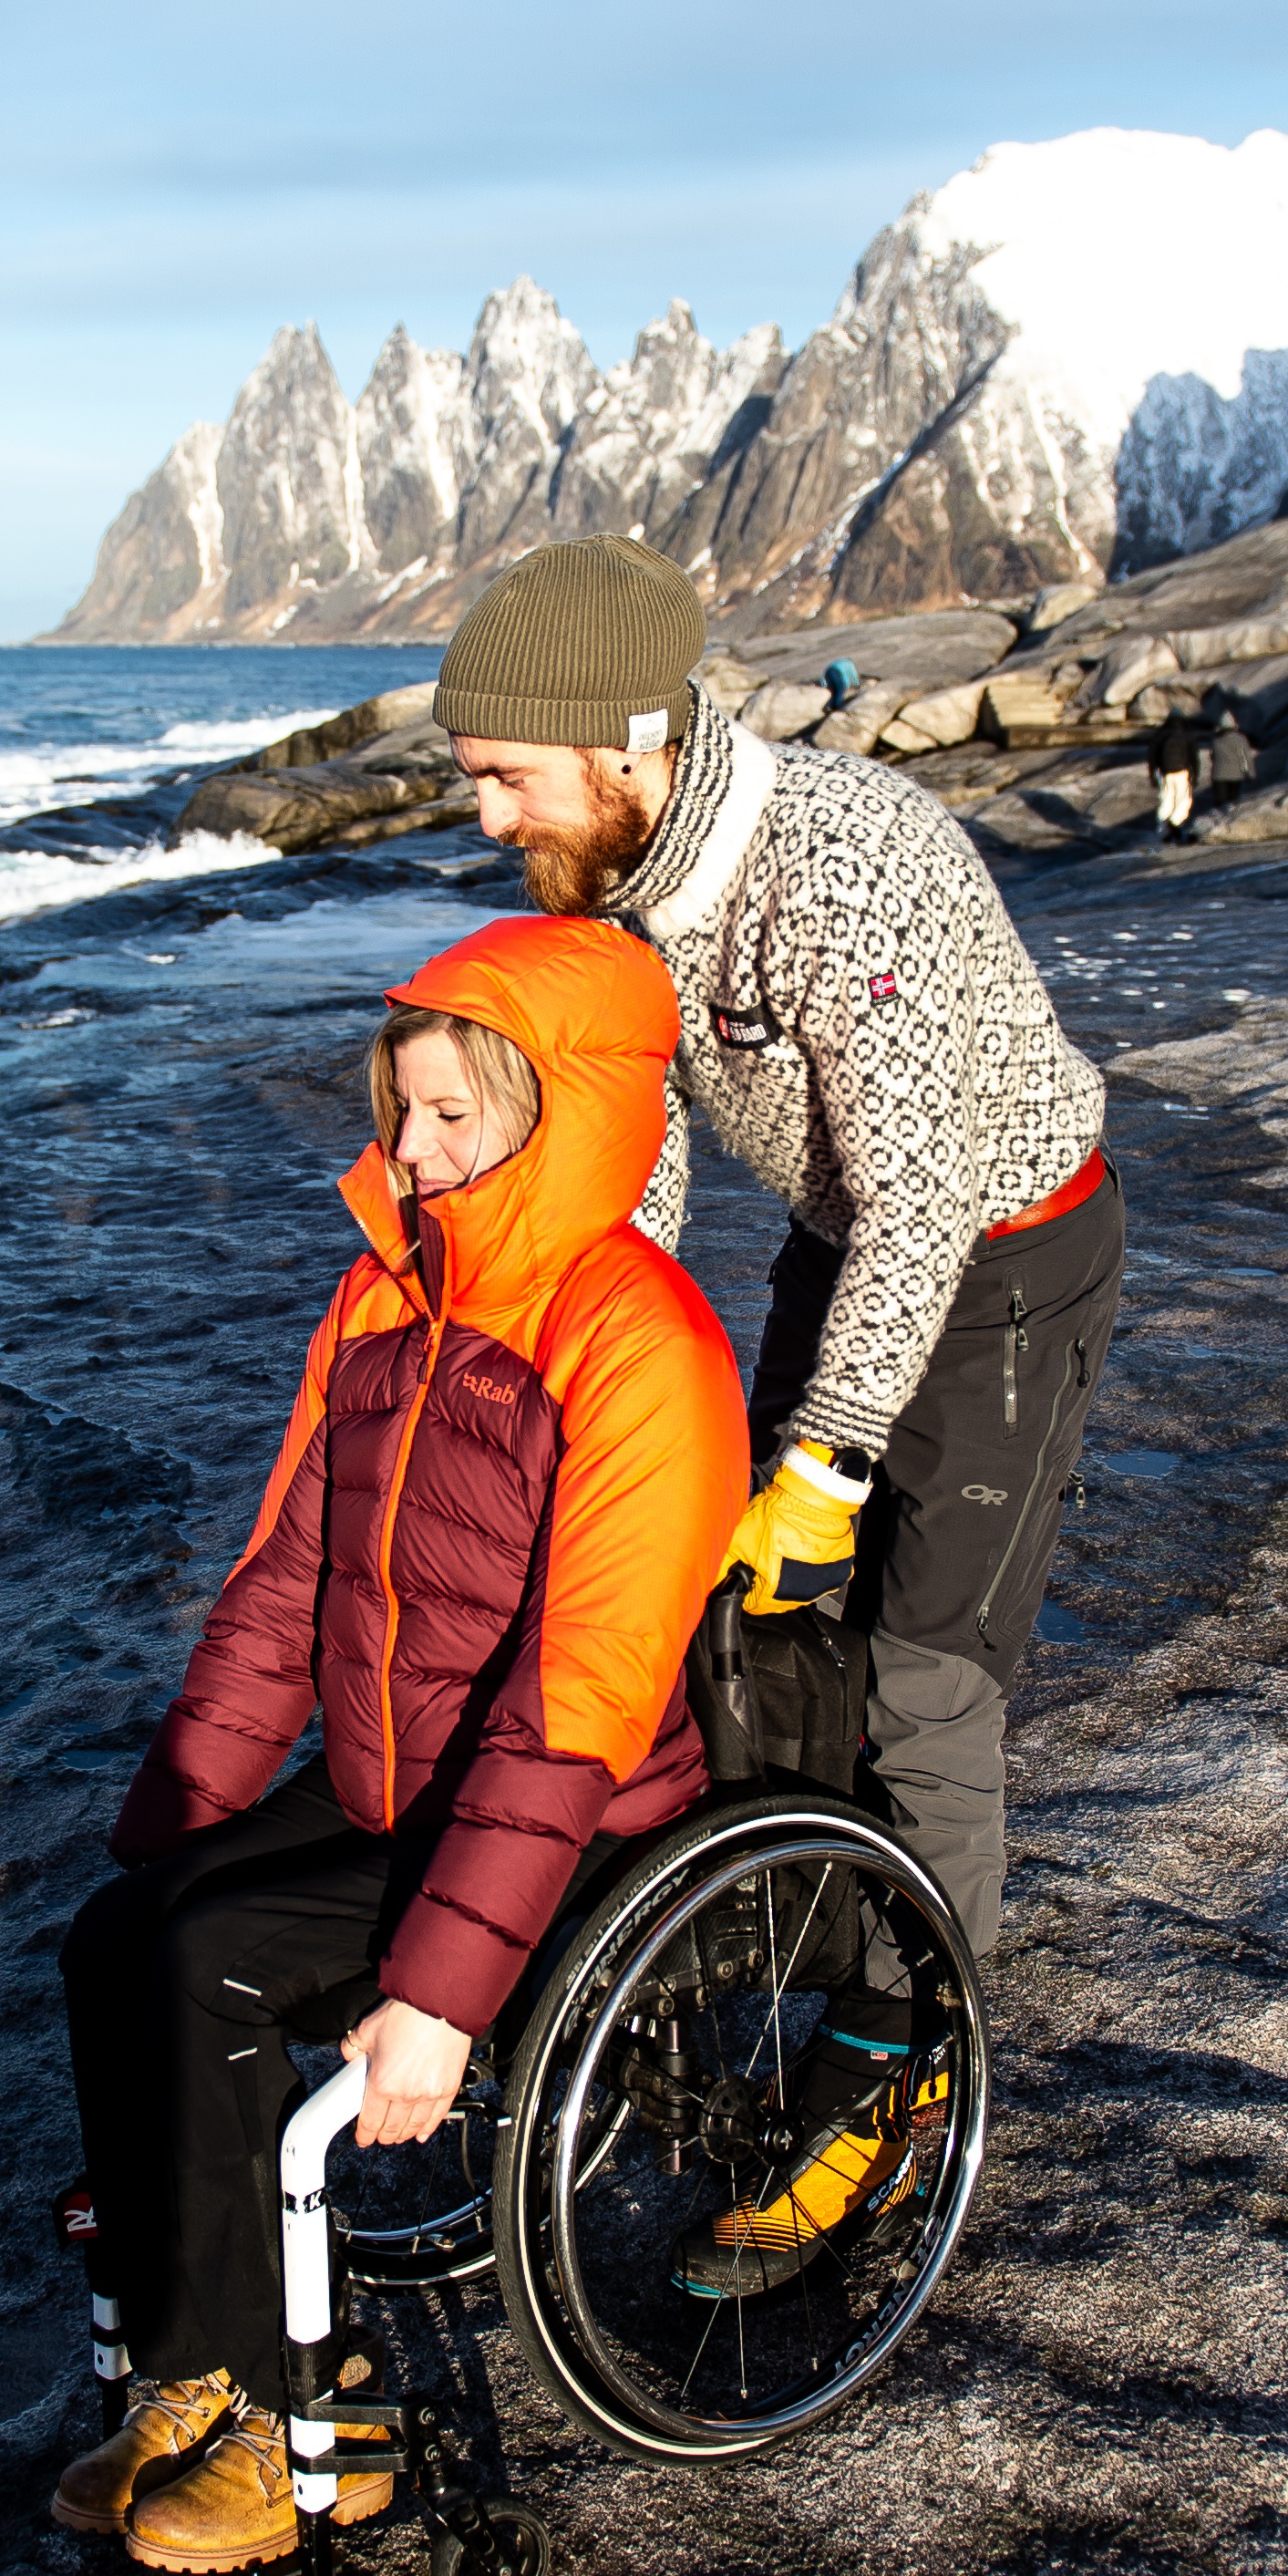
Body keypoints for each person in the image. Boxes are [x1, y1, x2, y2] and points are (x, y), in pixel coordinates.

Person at [434, 537, 1121, 2297]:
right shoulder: (622, 867)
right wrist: (596, 1336)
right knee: (755, 1621)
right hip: (853, 1243)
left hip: (1006, 1253)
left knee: (920, 1675)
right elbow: (646, 1126)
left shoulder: (842, 869)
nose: (492, 819)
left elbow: (926, 1198)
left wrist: (824, 1460)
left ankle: (903, 2069)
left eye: (507, 779)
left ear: (626, 740)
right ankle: (795, 1936)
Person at [48, 915, 744, 2576]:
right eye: (401, 1113)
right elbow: (291, 1569)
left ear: (557, 1110)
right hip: (398, 1790)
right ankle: (187, 2359)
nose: (412, 1156)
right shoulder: (384, 1299)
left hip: (577, 1827)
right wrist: (183, 1815)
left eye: (452, 1118)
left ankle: (311, 2412)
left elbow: (583, 1690)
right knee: (119, 1939)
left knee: (213, 1961)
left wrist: (434, 1998)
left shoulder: (640, 1342)